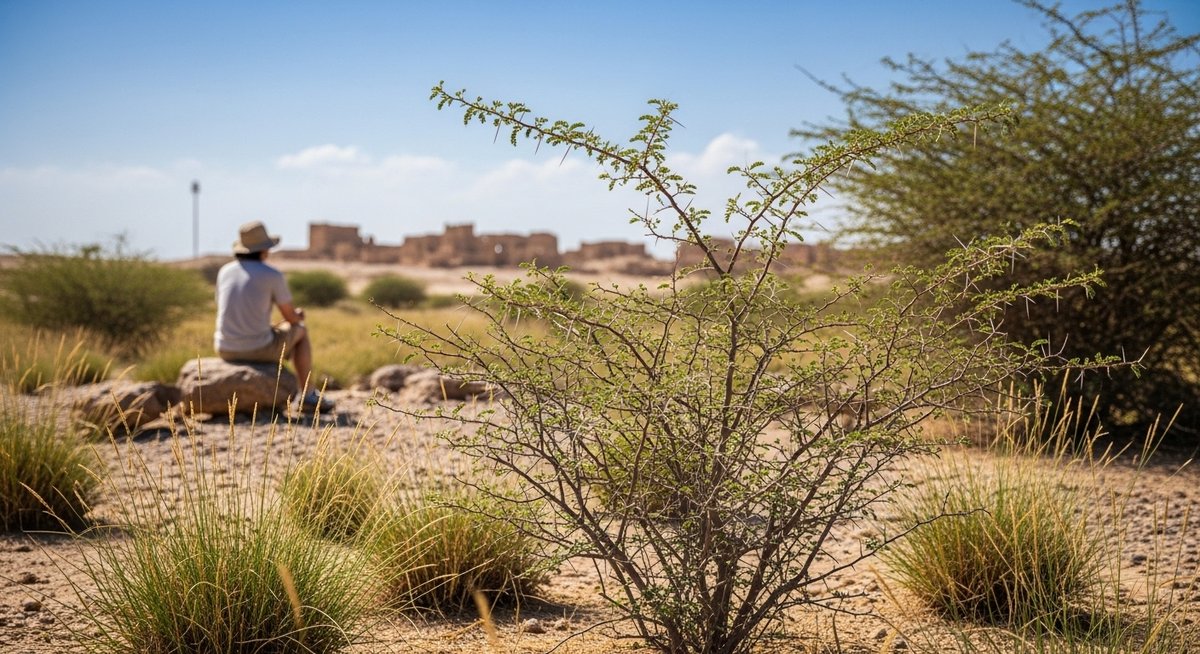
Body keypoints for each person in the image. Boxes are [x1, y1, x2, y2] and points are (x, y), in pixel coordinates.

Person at [214, 220, 334, 412]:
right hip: (257, 348)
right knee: (300, 330)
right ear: (264, 250)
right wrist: (297, 316)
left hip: (224, 348)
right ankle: (308, 394)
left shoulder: (225, 272)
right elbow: (290, 317)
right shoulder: (272, 275)